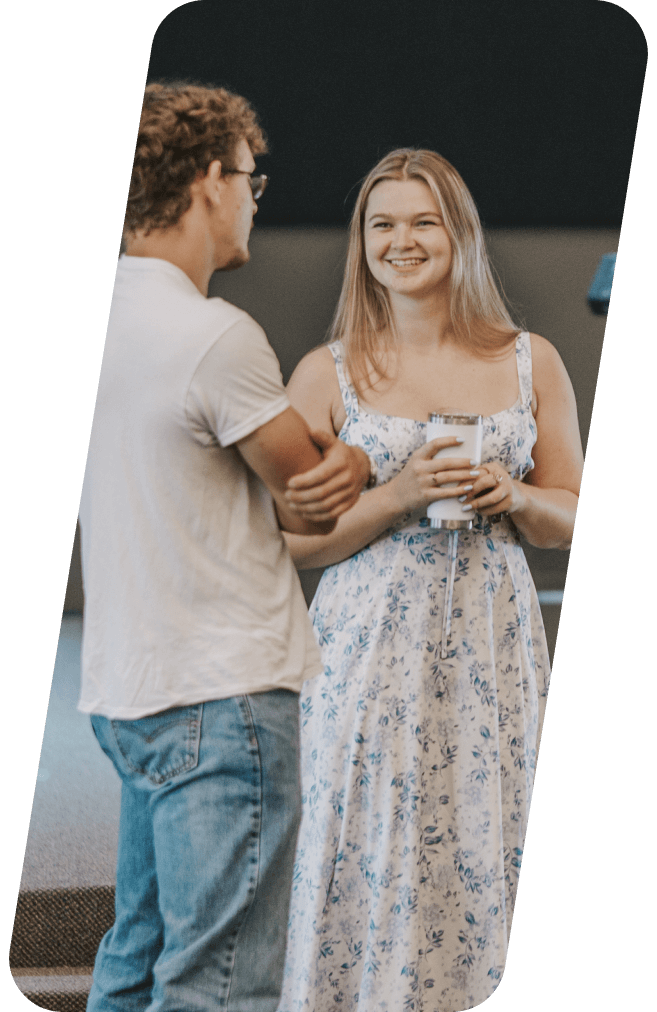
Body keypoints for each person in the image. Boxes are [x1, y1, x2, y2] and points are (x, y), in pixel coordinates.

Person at [78, 81, 372, 1012]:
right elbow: (312, 503)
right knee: (222, 987)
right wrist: (359, 457)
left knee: (135, 962)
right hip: (223, 697)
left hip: (127, 692)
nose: (254, 200)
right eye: (251, 178)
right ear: (210, 179)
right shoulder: (212, 335)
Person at [276, 148, 583, 1010]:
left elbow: (568, 511)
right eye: (381, 224)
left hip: (491, 640)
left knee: (487, 831)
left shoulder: (530, 360)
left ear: (460, 236)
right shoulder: (328, 371)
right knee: (369, 830)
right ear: (361, 241)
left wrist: (515, 496)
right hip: (367, 648)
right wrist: (399, 496)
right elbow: (289, 543)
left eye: (422, 222)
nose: (400, 241)